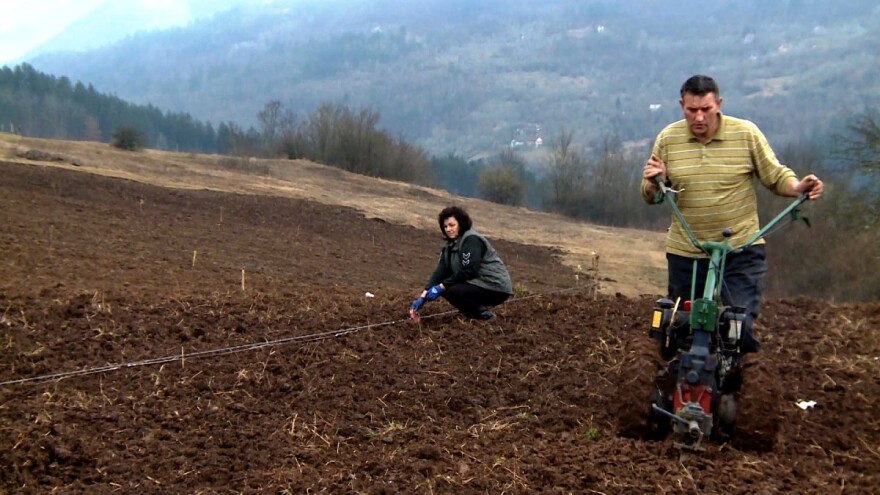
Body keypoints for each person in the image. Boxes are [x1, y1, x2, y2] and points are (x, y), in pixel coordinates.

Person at [641, 74, 823, 353]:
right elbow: (650, 195)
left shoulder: (745, 134)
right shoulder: (668, 139)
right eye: (692, 110)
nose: (699, 117)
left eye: (706, 109)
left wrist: (799, 187)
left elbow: (774, 175)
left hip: (739, 250)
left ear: (719, 104)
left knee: (738, 327)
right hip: (687, 253)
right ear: (681, 106)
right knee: (678, 330)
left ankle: (739, 388)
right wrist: (656, 181)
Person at [409, 206, 513, 320]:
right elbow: (439, 273)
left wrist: (441, 286)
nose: (448, 229)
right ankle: (472, 314)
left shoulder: (471, 240)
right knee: (446, 288)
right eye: (445, 226)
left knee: (452, 290)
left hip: (494, 286)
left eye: (451, 225)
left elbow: (469, 271)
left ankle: (485, 316)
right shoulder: (449, 248)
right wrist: (422, 297)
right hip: (478, 285)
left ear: (461, 224)